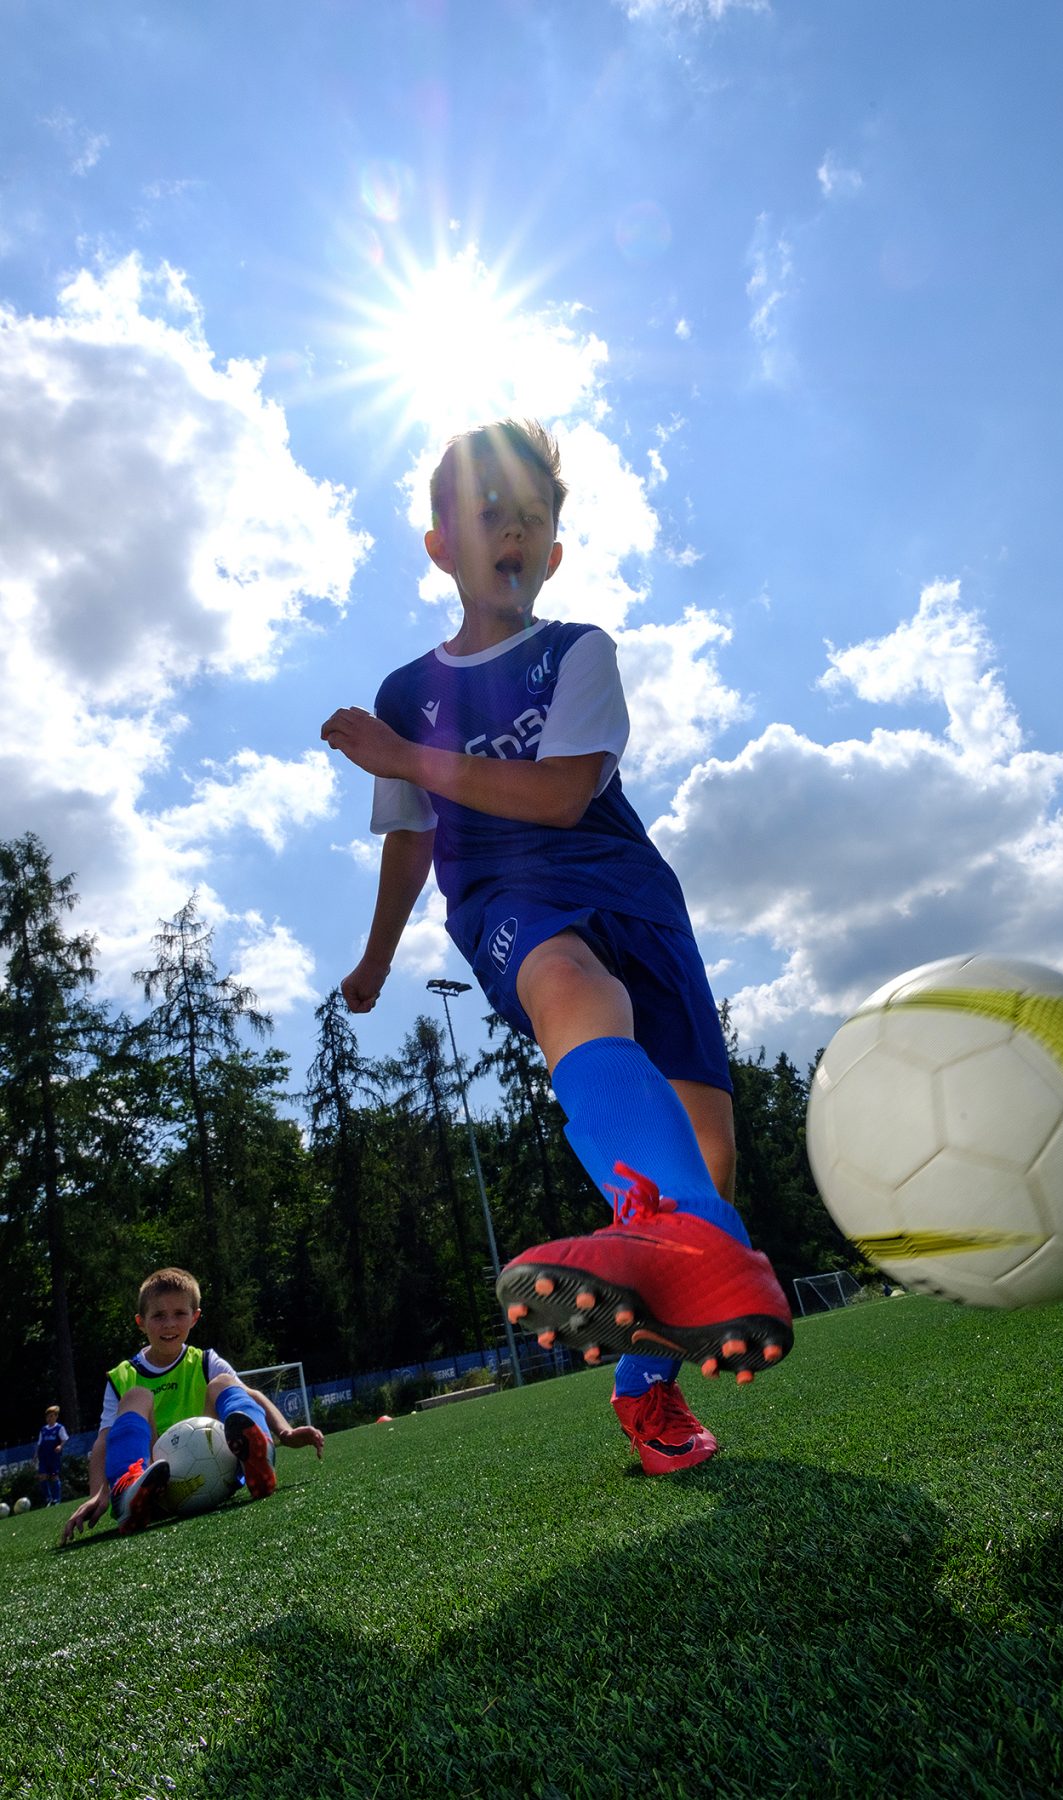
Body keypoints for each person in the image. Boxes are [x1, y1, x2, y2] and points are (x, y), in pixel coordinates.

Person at [321, 419, 792, 1477]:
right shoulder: (410, 695)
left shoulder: (577, 651)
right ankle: (677, 1244)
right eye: (492, 513)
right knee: (571, 987)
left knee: (707, 1166)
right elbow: (409, 838)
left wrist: (404, 757)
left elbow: (565, 789)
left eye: (534, 518)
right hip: (506, 895)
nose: (516, 531)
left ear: (556, 551)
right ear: (441, 544)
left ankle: (648, 1384)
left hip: (630, 890)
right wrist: (377, 956)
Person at [60, 1267, 324, 1545]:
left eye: (179, 1314)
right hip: (156, 1486)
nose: (169, 1324)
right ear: (141, 1322)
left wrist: (285, 1433)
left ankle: (261, 1457)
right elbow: (104, 1441)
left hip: (215, 1472)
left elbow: (252, 1394)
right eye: (158, 1315)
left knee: (223, 1383)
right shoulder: (122, 1377)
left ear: (195, 1317)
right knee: (137, 1396)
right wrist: (98, 1493)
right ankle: (127, 1490)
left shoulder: (206, 1361)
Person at [35, 1404, 69, 1506]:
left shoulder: (59, 1428)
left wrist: (60, 1446)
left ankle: (56, 1499)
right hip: (43, 1457)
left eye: (52, 1416)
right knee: (42, 1477)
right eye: (48, 1416)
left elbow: (65, 1439)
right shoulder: (43, 1430)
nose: (49, 1418)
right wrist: (36, 1454)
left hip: (54, 1457)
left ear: (56, 1416)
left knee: (54, 1477)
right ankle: (48, 1499)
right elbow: (39, 1443)